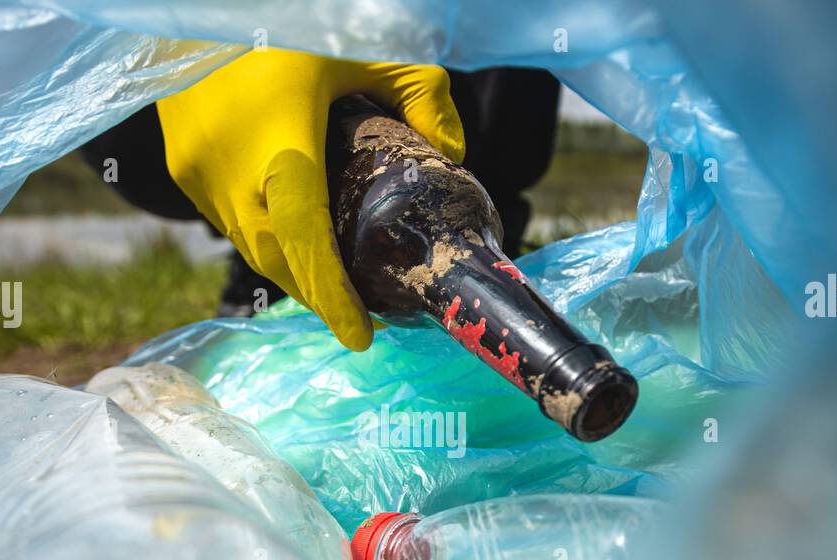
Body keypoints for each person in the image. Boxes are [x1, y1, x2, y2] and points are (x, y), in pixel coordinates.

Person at [79, 49, 560, 351]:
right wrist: (200, 44)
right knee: (166, 151)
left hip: (452, 78)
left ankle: (497, 268)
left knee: (492, 121)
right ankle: (267, 264)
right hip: (165, 83)